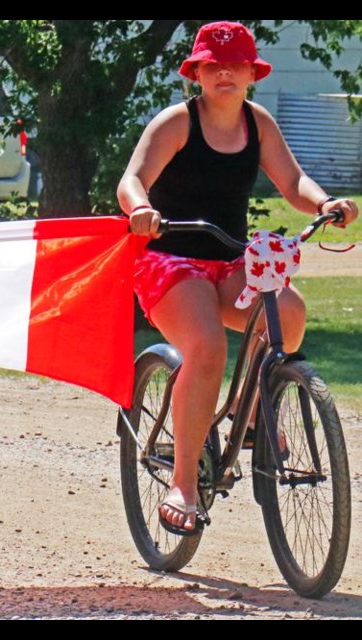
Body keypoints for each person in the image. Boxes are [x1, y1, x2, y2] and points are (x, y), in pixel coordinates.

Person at [117, 22, 358, 535]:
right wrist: (141, 209)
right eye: (212, 63)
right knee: (206, 348)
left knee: (287, 310)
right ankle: (183, 481)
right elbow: (132, 179)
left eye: (235, 64)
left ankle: (252, 419)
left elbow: (292, 182)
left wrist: (324, 203)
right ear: (197, 72)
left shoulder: (259, 123)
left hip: (229, 259)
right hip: (168, 259)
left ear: (252, 72)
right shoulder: (177, 122)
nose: (224, 72)